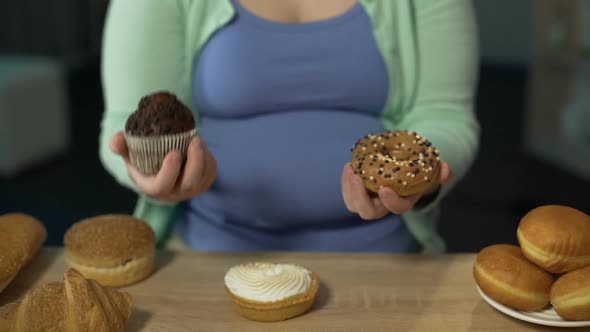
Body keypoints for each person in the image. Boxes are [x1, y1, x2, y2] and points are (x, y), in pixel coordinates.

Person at [99, 0, 479, 254]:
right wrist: (152, 173)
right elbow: (123, 123)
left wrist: (419, 183)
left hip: (383, 263)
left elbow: (444, 115)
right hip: (208, 259)